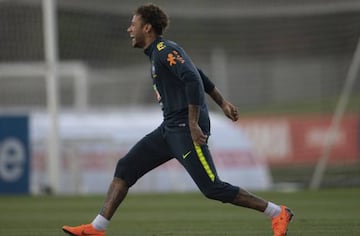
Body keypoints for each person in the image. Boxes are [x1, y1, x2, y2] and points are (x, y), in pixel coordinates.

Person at [62, 3, 294, 236]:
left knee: (212, 188)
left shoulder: (163, 49)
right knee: (125, 167)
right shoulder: (157, 53)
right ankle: (97, 228)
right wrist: (222, 102)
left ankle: (277, 212)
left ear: (148, 28)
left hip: (185, 128)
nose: (129, 29)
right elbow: (198, 73)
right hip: (170, 129)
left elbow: (192, 79)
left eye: (133, 24)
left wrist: (193, 123)